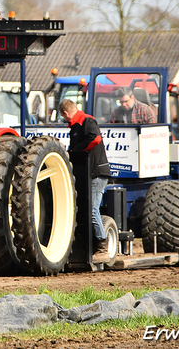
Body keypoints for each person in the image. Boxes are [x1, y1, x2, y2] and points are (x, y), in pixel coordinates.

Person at [59, 99, 111, 263]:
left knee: (92, 209)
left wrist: (76, 150)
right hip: (87, 173)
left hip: (97, 172)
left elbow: (95, 138)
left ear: (66, 113)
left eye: (63, 117)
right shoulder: (74, 126)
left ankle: (103, 248)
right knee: (84, 209)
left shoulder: (87, 121)